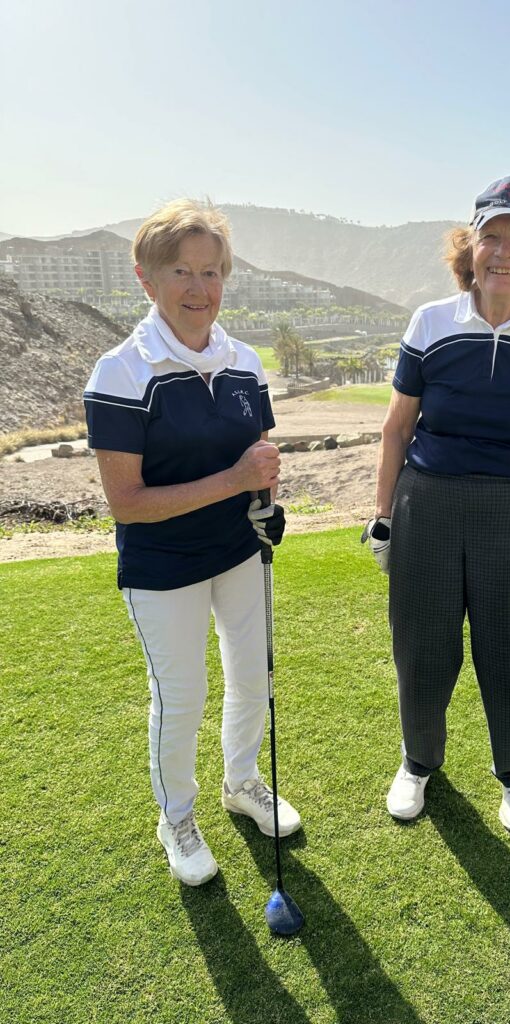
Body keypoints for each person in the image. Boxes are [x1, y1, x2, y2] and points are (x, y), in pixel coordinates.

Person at [363, 175, 510, 834]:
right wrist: (382, 516)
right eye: (490, 236)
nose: (504, 251)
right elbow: (396, 429)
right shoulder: (431, 322)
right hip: (429, 506)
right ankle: (418, 762)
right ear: (468, 247)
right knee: (422, 645)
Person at [84, 199, 300, 886]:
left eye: (212, 272)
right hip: (163, 565)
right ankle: (176, 816)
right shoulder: (121, 371)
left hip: (239, 551)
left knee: (253, 677)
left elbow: (259, 459)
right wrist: (234, 481)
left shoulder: (245, 363)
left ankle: (242, 783)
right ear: (146, 279)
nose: (199, 288)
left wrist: (267, 503)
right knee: (181, 698)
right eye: (181, 271)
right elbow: (127, 502)